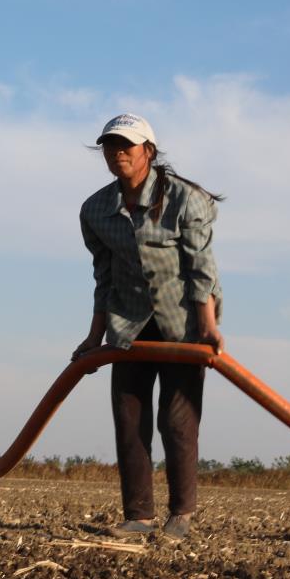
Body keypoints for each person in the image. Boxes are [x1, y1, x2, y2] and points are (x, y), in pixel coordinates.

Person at [73, 114, 224, 542]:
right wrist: (93, 338)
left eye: (127, 145)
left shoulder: (184, 199)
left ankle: (182, 514)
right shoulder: (96, 209)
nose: (118, 152)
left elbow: (201, 271)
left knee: (177, 421)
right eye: (110, 146)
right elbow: (104, 276)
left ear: (148, 152)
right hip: (129, 325)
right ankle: (138, 515)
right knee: (129, 417)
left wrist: (208, 327)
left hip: (183, 324)